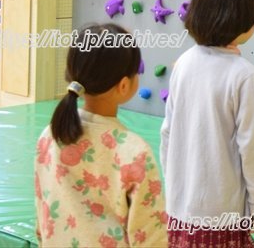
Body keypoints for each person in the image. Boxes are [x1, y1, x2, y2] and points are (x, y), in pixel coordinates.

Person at [34, 24, 167, 247]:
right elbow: (150, 236)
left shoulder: (51, 135)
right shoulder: (134, 152)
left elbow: (43, 214)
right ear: (124, 85)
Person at [161, 0, 254, 248]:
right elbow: (252, 148)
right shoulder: (244, 75)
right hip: (221, 211)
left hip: (180, 206)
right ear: (240, 26)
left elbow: (167, 132)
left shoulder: (183, 63)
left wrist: (174, 182)